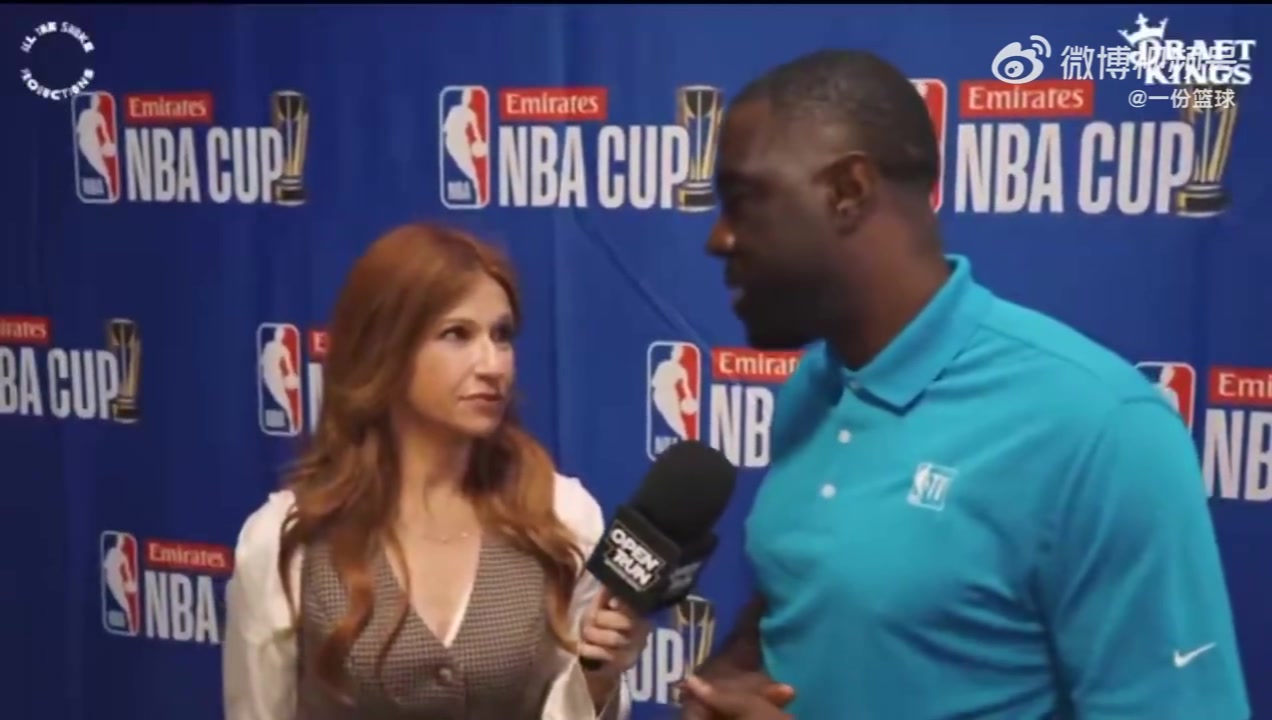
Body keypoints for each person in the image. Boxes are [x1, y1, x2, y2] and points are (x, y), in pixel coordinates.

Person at [679, 49, 1249, 719]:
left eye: (744, 201)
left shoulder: (1100, 428)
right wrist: (732, 680)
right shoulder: (814, 386)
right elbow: (835, 621)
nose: (718, 238)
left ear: (848, 192)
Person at [223, 222, 651, 719]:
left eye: (502, 336)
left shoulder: (560, 516)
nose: (493, 365)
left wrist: (597, 681)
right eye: (456, 335)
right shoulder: (286, 540)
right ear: (385, 349)